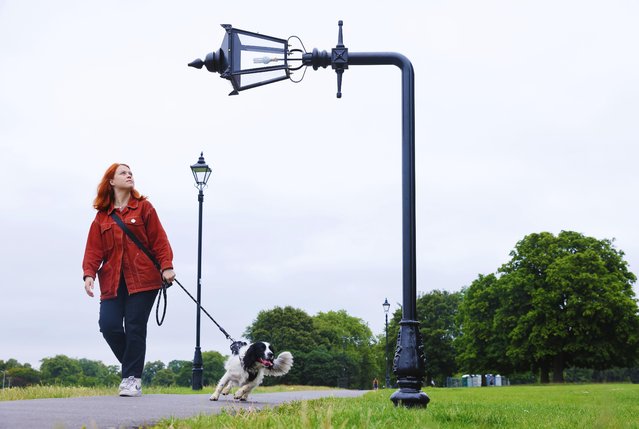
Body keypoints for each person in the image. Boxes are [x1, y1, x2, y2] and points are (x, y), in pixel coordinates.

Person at [82, 163, 176, 397]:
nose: (129, 175)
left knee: (135, 326)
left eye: (131, 172)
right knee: (109, 325)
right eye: (123, 172)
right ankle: (131, 368)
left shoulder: (144, 208)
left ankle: (131, 378)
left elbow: (159, 240)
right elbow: (94, 250)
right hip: (113, 280)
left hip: (144, 279)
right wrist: (88, 274)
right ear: (111, 181)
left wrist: (167, 267)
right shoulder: (102, 217)